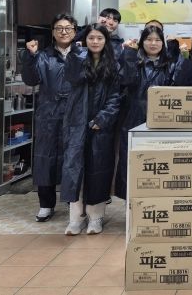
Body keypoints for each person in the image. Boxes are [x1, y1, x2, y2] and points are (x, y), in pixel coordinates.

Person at [61, 24, 121, 235]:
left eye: (100, 38)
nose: (95, 42)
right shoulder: (77, 59)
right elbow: (71, 77)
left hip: (100, 126)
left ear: (106, 41)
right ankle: (76, 218)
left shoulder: (113, 65)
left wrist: (102, 118)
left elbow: (116, 97)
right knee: (74, 169)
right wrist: (76, 52)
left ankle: (96, 217)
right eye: (91, 38)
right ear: (84, 40)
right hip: (76, 122)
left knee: (98, 170)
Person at [21, 13, 78, 222]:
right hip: (48, 113)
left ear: (75, 31)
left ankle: (73, 202)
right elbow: (31, 79)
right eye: (59, 28)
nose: (64, 32)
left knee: (72, 158)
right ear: (53, 32)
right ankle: (46, 204)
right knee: (45, 158)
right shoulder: (43, 55)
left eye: (68, 28)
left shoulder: (81, 55)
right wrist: (30, 57)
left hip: (74, 113)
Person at [114, 25, 177, 200]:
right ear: (142, 42)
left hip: (162, 120)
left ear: (163, 43)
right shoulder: (133, 59)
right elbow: (126, 80)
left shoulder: (169, 64)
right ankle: (129, 203)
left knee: (157, 163)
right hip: (132, 117)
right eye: (149, 39)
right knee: (130, 161)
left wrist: (177, 53)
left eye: (157, 40)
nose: (153, 43)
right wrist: (129, 54)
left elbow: (177, 86)